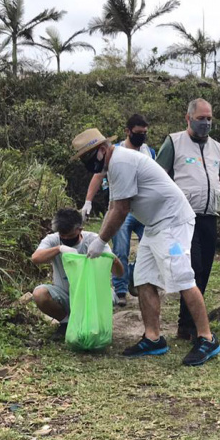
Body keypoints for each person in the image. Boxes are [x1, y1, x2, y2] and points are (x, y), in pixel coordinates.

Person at [73, 127, 220, 366]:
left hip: (173, 221)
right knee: (143, 278)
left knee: (182, 276)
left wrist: (100, 242)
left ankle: (207, 337)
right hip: (154, 224)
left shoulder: (121, 162)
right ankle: (153, 338)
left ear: (101, 150)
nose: (87, 163)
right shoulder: (113, 166)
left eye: (88, 157)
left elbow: (121, 210)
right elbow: (113, 206)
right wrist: (98, 240)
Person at [155, 98, 220, 341]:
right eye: (201, 118)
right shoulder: (174, 142)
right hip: (183, 219)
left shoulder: (217, 147)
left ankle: (188, 324)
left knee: (204, 269)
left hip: (209, 217)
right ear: (188, 118)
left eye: (209, 118)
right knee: (192, 268)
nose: (206, 123)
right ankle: (188, 325)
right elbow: (158, 177)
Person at [80, 115, 156, 308]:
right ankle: (121, 290)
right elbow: (98, 176)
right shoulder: (115, 152)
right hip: (122, 208)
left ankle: (135, 277)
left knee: (150, 247)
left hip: (144, 209)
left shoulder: (149, 152)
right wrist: (88, 201)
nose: (142, 136)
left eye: (145, 133)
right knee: (121, 248)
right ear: (128, 131)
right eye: (139, 133)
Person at [31, 208, 124, 340]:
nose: (65, 239)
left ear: (80, 229)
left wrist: (112, 259)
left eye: (69, 236)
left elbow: (119, 273)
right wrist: (59, 249)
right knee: (39, 293)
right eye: (62, 236)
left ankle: (93, 323)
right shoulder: (53, 240)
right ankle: (66, 323)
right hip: (66, 295)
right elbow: (35, 258)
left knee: (107, 296)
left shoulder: (94, 241)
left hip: (91, 296)